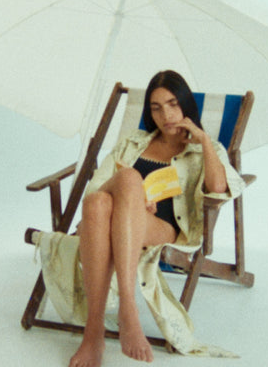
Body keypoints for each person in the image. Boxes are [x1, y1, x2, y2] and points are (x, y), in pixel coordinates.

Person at [68, 70, 243, 367]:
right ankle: (102, 326)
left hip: (163, 228)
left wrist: (202, 140)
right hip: (115, 219)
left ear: (186, 104)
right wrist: (134, 197)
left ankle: (113, 316)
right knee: (107, 195)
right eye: (156, 108)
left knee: (128, 179)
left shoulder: (207, 148)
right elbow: (95, 191)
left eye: (173, 104)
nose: (166, 115)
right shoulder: (133, 142)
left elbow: (217, 188)